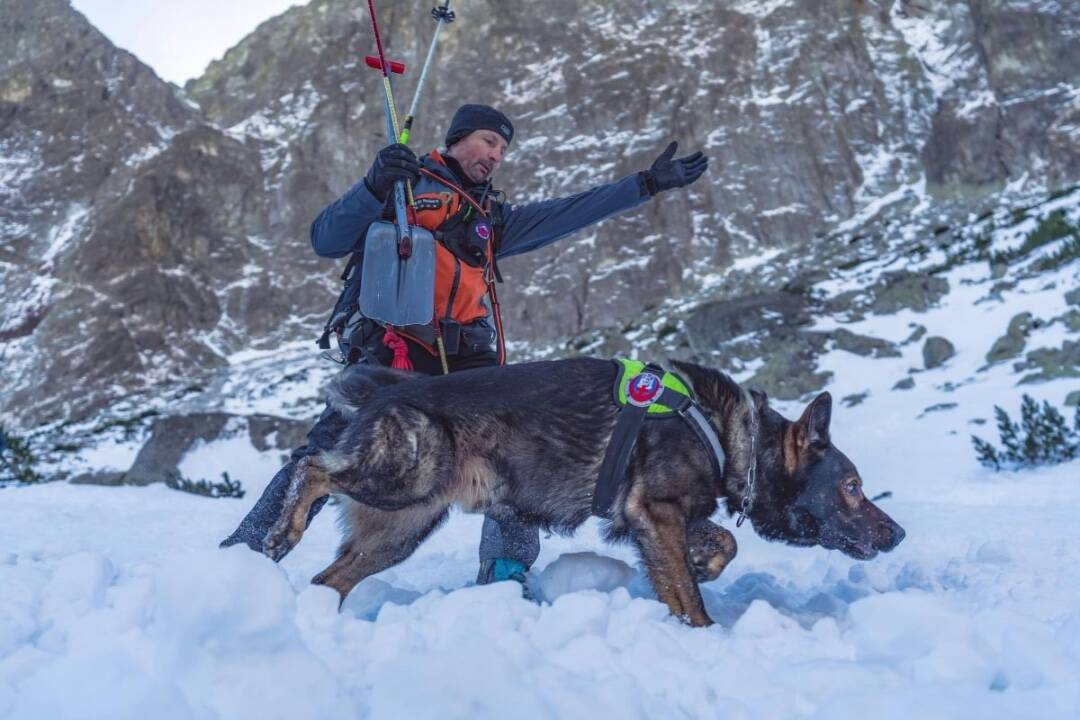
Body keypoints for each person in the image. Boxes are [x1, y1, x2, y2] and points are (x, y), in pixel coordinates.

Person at [221, 103, 709, 592]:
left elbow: (568, 212)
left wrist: (645, 183)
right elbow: (326, 239)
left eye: (502, 148)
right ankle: (244, 559)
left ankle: (505, 572)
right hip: (392, 354)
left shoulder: (491, 220)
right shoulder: (401, 188)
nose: (496, 155)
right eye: (488, 141)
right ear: (456, 140)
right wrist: (373, 185)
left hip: (469, 365)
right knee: (328, 450)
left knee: (516, 456)